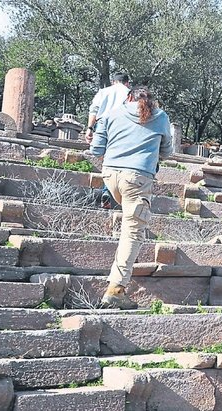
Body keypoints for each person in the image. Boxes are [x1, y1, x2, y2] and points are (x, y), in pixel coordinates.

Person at [90, 86, 173, 309]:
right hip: (137, 179)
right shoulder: (160, 116)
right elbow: (167, 152)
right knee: (133, 231)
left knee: (130, 224)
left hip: (110, 176)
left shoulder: (111, 114)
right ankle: (116, 289)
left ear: (128, 98)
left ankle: (117, 282)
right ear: (151, 101)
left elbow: (96, 150)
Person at [85, 73, 131, 209]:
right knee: (120, 160)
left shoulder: (103, 92)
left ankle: (107, 191)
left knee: (106, 158)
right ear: (127, 83)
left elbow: (94, 110)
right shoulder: (130, 93)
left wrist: (89, 128)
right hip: (121, 126)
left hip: (102, 124)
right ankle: (115, 192)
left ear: (113, 82)